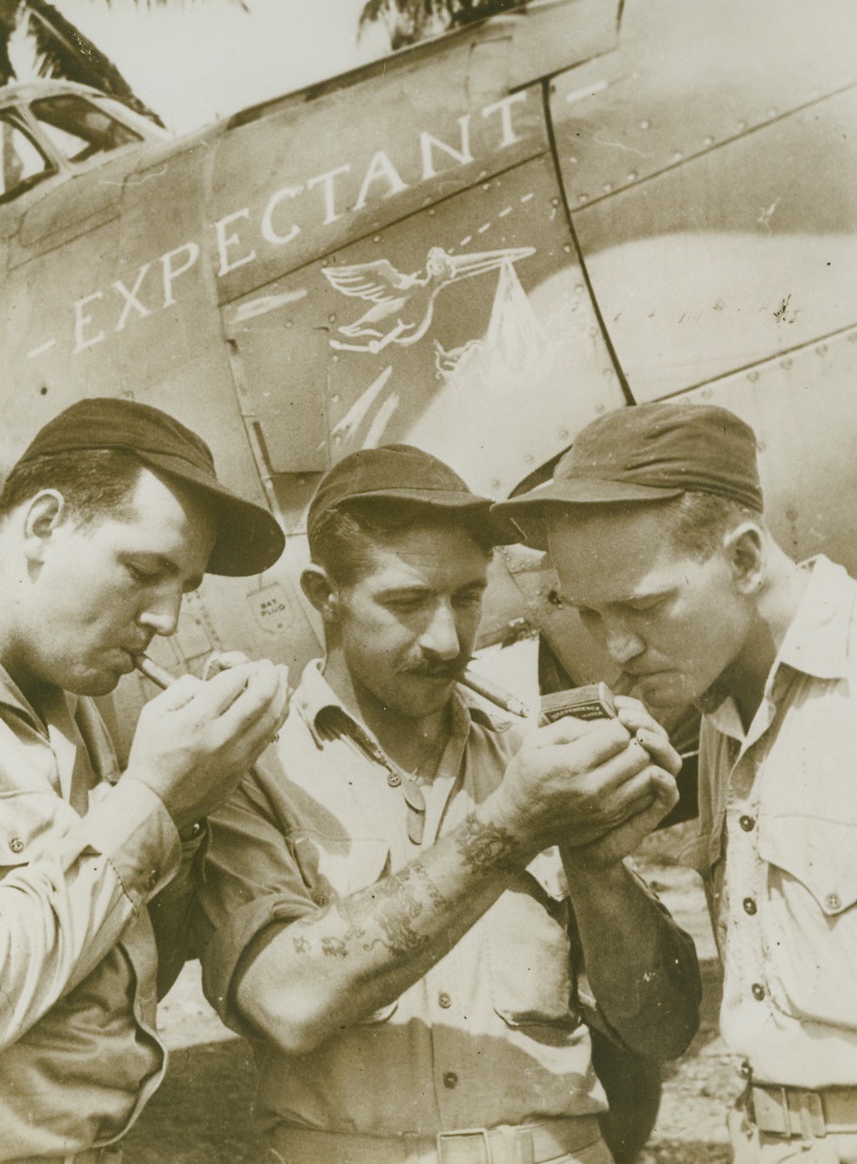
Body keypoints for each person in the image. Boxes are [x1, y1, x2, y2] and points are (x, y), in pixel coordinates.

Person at [194, 443, 701, 1164]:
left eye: (466, 597)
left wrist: (597, 864)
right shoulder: (250, 765)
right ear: (322, 595)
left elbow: (661, 1029)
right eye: (405, 602)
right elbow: (287, 1004)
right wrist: (515, 825)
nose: (444, 639)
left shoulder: (536, 751)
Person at [0, 397, 290, 1164]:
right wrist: (151, 801)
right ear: (42, 526)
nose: (169, 621)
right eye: (145, 571)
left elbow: (122, 984)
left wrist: (188, 808)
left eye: (187, 587)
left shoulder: (71, 699)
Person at [494, 401, 857, 1163]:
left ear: (747, 559)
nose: (617, 647)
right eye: (591, 616)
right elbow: (660, 1029)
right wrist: (593, 862)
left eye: (645, 606)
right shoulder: (726, 709)